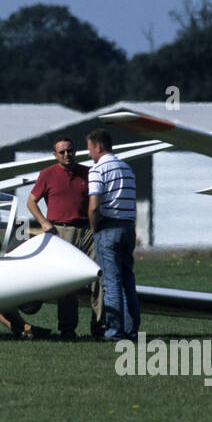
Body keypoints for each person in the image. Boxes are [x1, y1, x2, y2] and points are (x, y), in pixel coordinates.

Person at [26, 136, 102, 340]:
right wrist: (43, 222)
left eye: (70, 150)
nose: (67, 154)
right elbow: (31, 201)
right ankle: (68, 330)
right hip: (61, 232)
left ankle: (100, 328)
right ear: (55, 155)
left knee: (99, 278)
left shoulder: (88, 172)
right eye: (62, 152)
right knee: (68, 283)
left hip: (88, 230)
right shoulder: (47, 174)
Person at [86, 129, 139, 342]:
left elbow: (93, 206)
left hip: (109, 228)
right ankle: (131, 331)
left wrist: (93, 227)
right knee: (128, 281)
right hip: (128, 227)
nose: (89, 154)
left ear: (98, 147)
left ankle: (114, 332)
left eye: (90, 149)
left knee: (111, 283)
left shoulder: (97, 170)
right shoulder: (127, 168)